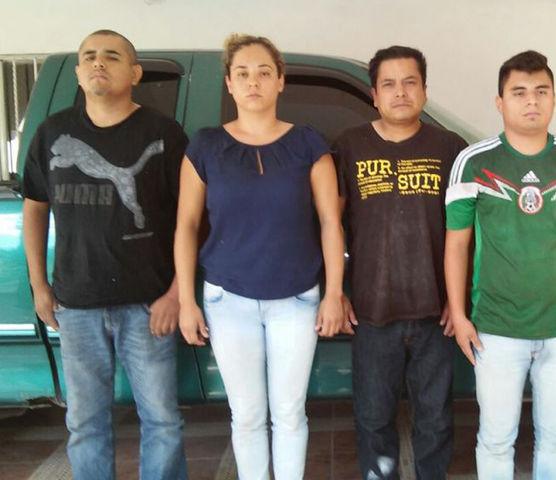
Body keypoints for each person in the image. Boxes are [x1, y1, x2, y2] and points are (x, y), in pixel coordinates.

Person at [174, 34, 346, 480]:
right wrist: (187, 302)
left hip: (297, 298)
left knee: (289, 412)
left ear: (280, 81)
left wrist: (333, 294)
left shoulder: (308, 143)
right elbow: (187, 226)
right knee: (247, 415)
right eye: (243, 73)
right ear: (229, 83)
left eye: (264, 73)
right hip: (227, 299)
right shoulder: (206, 146)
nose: (254, 82)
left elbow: (330, 222)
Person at [22, 30, 187, 480]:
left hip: (149, 304)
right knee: (84, 423)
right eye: (90, 56)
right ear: (78, 73)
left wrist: (176, 293)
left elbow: (192, 220)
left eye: (112, 56)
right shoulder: (53, 132)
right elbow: (35, 209)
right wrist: (39, 286)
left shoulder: (164, 133)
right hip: (75, 304)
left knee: (163, 421)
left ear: (134, 73)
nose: (99, 62)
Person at [444, 50, 556, 479]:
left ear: (554, 98)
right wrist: (459, 315)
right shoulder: (474, 162)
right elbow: (456, 244)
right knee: (496, 439)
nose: (531, 101)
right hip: (496, 330)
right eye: (519, 92)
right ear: (499, 102)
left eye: (541, 91)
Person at [333, 45, 467, 479]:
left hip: (435, 313)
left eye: (411, 82)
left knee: (436, 420)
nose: (401, 92)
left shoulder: (450, 148)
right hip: (372, 313)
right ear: (374, 95)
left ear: (425, 90)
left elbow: (469, 232)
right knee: (373, 420)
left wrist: (459, 301)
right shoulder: (349, 146)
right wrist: (336, 292)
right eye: (388, 84)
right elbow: (329, 224)